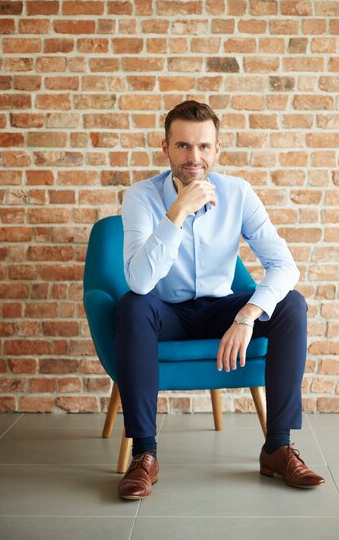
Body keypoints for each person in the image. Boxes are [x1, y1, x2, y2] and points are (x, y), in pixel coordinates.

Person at [115, 100, 325, 500]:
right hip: (166, 313)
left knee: (291, 305)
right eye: (182, 146)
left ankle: (277, 447)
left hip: (221, 309)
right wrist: (176, 212)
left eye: (203, 147)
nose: (194, 157)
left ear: (217, 149)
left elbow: (285, 265)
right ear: (165, 148)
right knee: (132, 304)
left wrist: (247, 316)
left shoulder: (238, 193)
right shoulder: (140, 197)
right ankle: (144, 454)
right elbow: (140, 282)